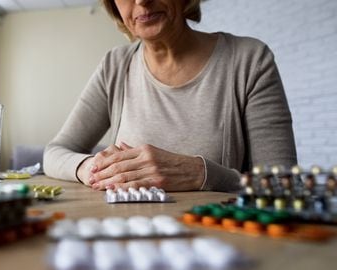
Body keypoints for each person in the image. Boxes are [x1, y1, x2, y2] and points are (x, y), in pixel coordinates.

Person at [43, 0, 297, 192]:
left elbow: (281, 185)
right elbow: (55, 153)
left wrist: (201, 174)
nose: (141, 1)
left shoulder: (250, 60)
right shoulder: (115, 65)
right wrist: (90, 169)